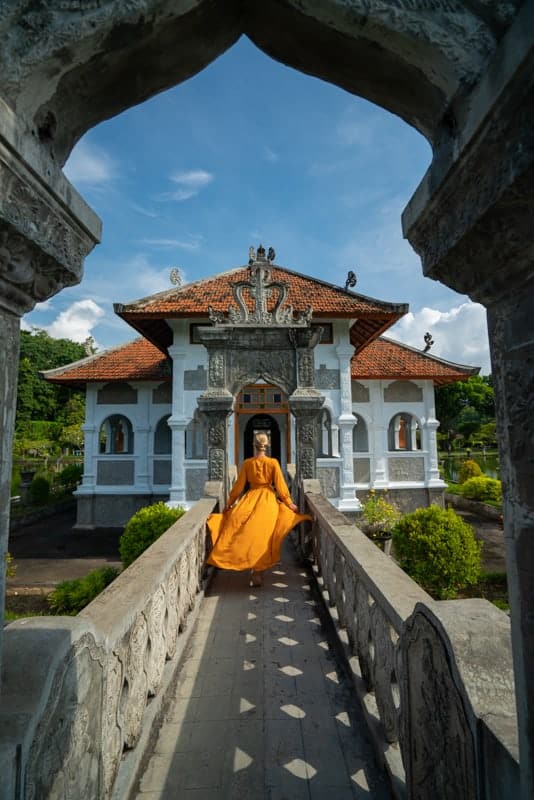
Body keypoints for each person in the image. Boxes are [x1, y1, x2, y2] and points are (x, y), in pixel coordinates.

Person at [206, 433, 312, 586]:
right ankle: (257, 572)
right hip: (268, 501)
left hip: (250, 499)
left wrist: (229, 503)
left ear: (253, 445)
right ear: (267, 445)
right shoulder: (273, 462)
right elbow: (281, 487)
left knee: (242, 532)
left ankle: (239, 561)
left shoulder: (248, 463)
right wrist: (290, 503)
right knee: (263, 537)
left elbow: (238, 487)